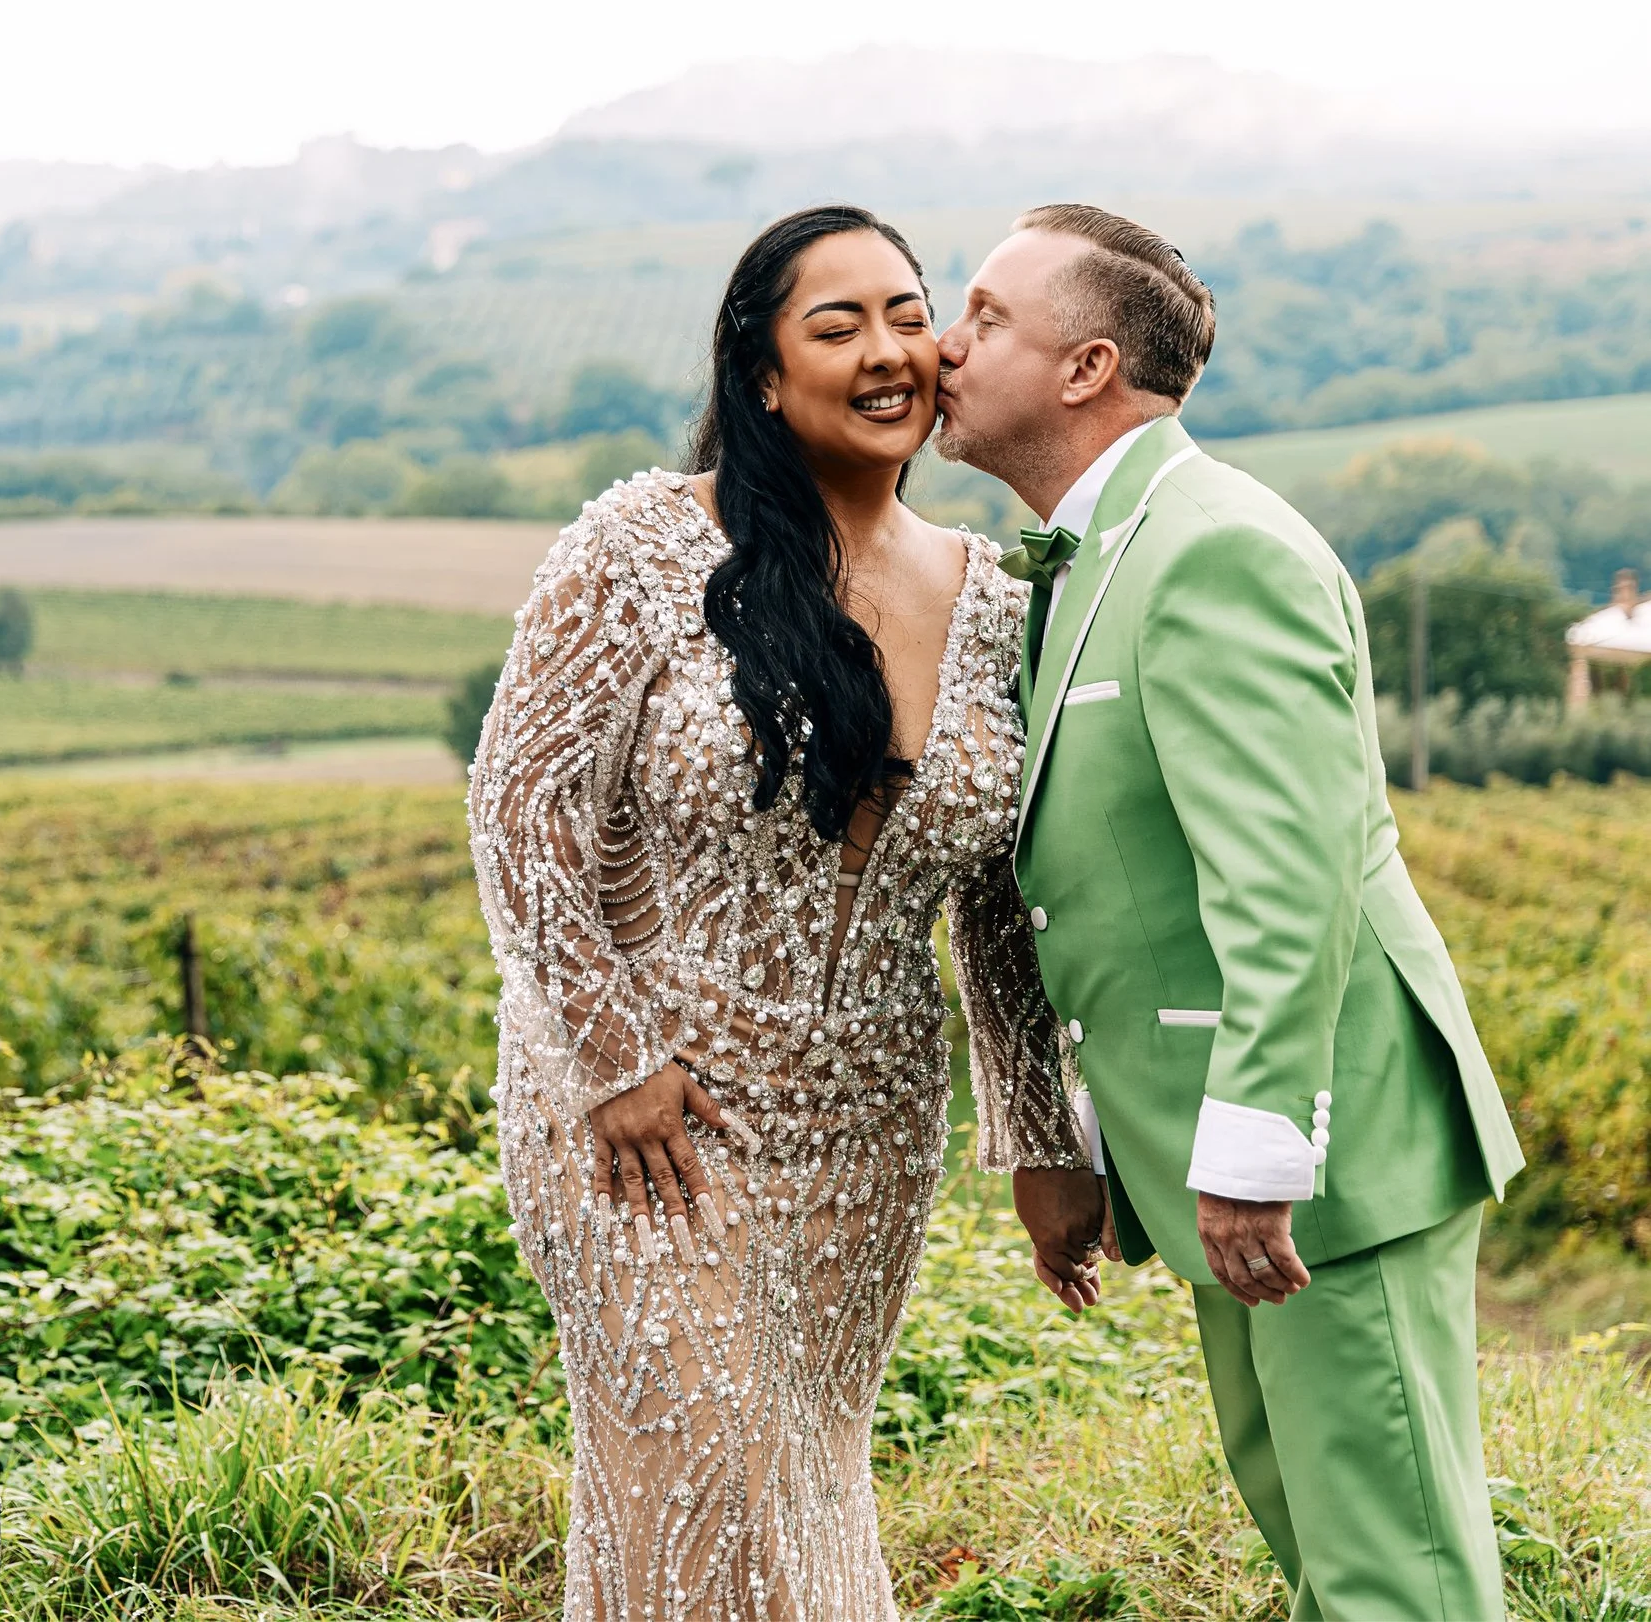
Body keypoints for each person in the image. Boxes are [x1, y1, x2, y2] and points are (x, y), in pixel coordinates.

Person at [467, 205, 1091, 1621]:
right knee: (702, 1476)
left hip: (867, 1130)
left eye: (905, 314)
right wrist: (615, 1055)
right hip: (649, 1118)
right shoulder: (636, 546)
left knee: (799, 1480)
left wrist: (1044, 1138)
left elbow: (998, 903)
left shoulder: (996, 600)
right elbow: (524, 810)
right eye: (837, 323)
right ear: (760, 371)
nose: (887, 352)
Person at [935, 203, 1526, 1620]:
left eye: (985, 317)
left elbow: (1287, 875)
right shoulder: (1100, 557)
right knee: (1333, 1565)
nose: (943, 346)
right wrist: (1081, 1136)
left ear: (1086, 367)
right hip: (1222, 1155)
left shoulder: (1212, 549)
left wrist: (1259, 1148)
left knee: (1398, 1582)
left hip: (1322, 1157)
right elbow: (1121, 888)